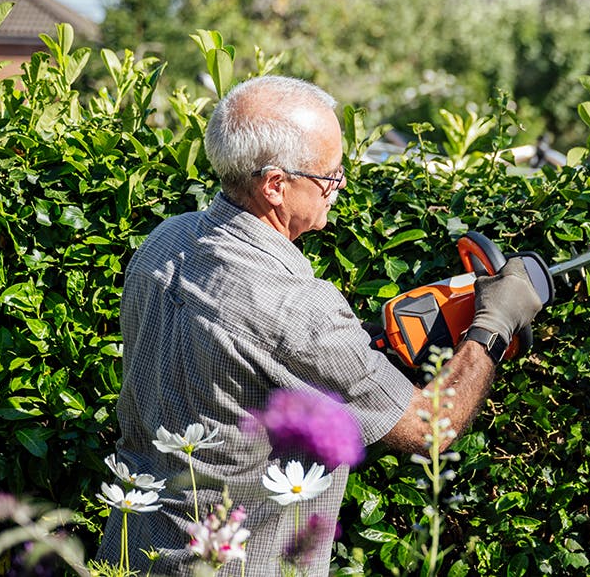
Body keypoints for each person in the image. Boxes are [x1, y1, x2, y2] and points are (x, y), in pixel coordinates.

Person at [97, 75, 543, 575]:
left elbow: (247, 374)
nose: (341, 186)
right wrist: (492, 325)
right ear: (275, 185)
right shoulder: (293, 305)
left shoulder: (165, 240)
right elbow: (428, 429)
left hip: (133, 551)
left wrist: (371, 358)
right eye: (330, 176)